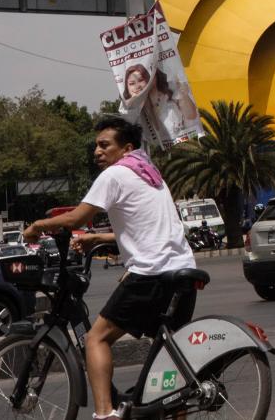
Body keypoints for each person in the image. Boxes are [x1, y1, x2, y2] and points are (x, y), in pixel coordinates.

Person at [24, 116, 195, 420]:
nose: (97, 151)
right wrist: (99, 238)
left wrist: (37, 226)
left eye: (105, 145)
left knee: (96, 339)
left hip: (151, 274)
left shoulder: (115, 174)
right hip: (184, 273)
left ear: (125, 148)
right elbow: (149, 230)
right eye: (96, 146)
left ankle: (105, 414)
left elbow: (75, 219)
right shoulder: (150, 174)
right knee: (165, 358)